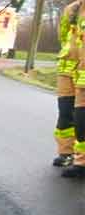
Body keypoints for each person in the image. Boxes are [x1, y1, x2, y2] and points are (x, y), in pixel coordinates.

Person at [55, 1, 80, 169]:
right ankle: (65, 153)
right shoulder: (72, 9)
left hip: (83, 71)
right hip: (67, 70)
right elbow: (63, 35)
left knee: (81, 116)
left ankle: (80, 158)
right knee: (65, 112)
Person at [63, 1, 85, 177]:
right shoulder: (73, 9)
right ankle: (79, 160)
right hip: (78, 71)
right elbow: (65, 38)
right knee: (78, 118)